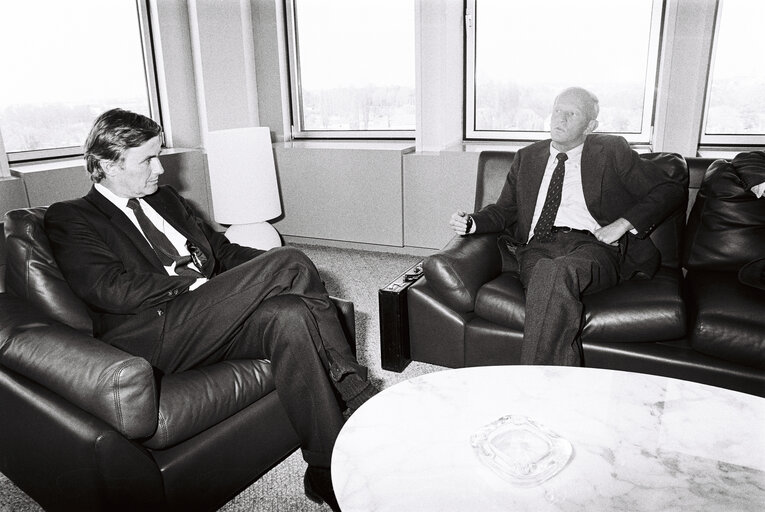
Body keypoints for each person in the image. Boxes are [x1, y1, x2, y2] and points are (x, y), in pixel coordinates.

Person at [44, 109, 375, 511]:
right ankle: (357, 390)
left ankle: (323, 469)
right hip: (157, 334)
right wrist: (203, 285)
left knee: (291, 313)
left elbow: (222, 252)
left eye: (159, 155)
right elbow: (109, 288)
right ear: (106, 165)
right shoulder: (72, 216)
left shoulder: (165, 200)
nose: (161, 168)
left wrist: (263, 270)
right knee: (289, 261)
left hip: (208, 319)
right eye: (148, 159)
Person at [449, 87, 685, 366]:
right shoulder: (527, 157)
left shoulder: (611, 151)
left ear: (590, 126)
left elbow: (670, 189)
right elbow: (504, 211)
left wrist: (622, 225)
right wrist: (473, 222)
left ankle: (537, 387)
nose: (558, 119)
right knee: (549, 272)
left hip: (594, 246)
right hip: (537, 246)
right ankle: (553, 386)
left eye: (570, 114)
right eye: (556, 111)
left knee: (553, 272)